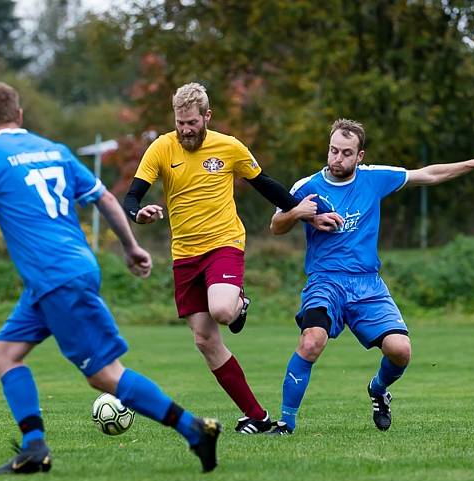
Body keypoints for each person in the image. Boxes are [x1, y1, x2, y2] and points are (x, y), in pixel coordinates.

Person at [0, 81, 222, 474]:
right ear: (19, 115)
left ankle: (195, 430)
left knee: (104, 376)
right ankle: (34, 447)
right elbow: (105, 198)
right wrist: (131, 247)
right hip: (64, 273)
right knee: (4, 354)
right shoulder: (54, 150)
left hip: (56, 277)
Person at [267, 118, 474, 435]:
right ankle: (286, 423)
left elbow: (428, 175)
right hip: (325, 281)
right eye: (333, 151)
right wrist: (301, 213)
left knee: (400, 351)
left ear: (360, 155)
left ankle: (378, 390)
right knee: (312, 341)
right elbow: (276, 225)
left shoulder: (374, 178)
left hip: (367, 284)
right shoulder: (306, 187)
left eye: (345, 153)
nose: (336, 159)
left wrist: (472, 164)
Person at [124, 82, 340, 435]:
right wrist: (139, 215)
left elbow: (264, 183)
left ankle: (239, 303)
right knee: (205, 341)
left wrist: (300, 211)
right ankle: (257, 416)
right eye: (180, 123)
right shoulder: (161, 148)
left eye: (192, 122)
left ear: (207, 117)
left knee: (223, 310)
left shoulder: (228, 146)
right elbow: (132, 196)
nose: (185, 130)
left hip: (223, 244)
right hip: (184, 256)